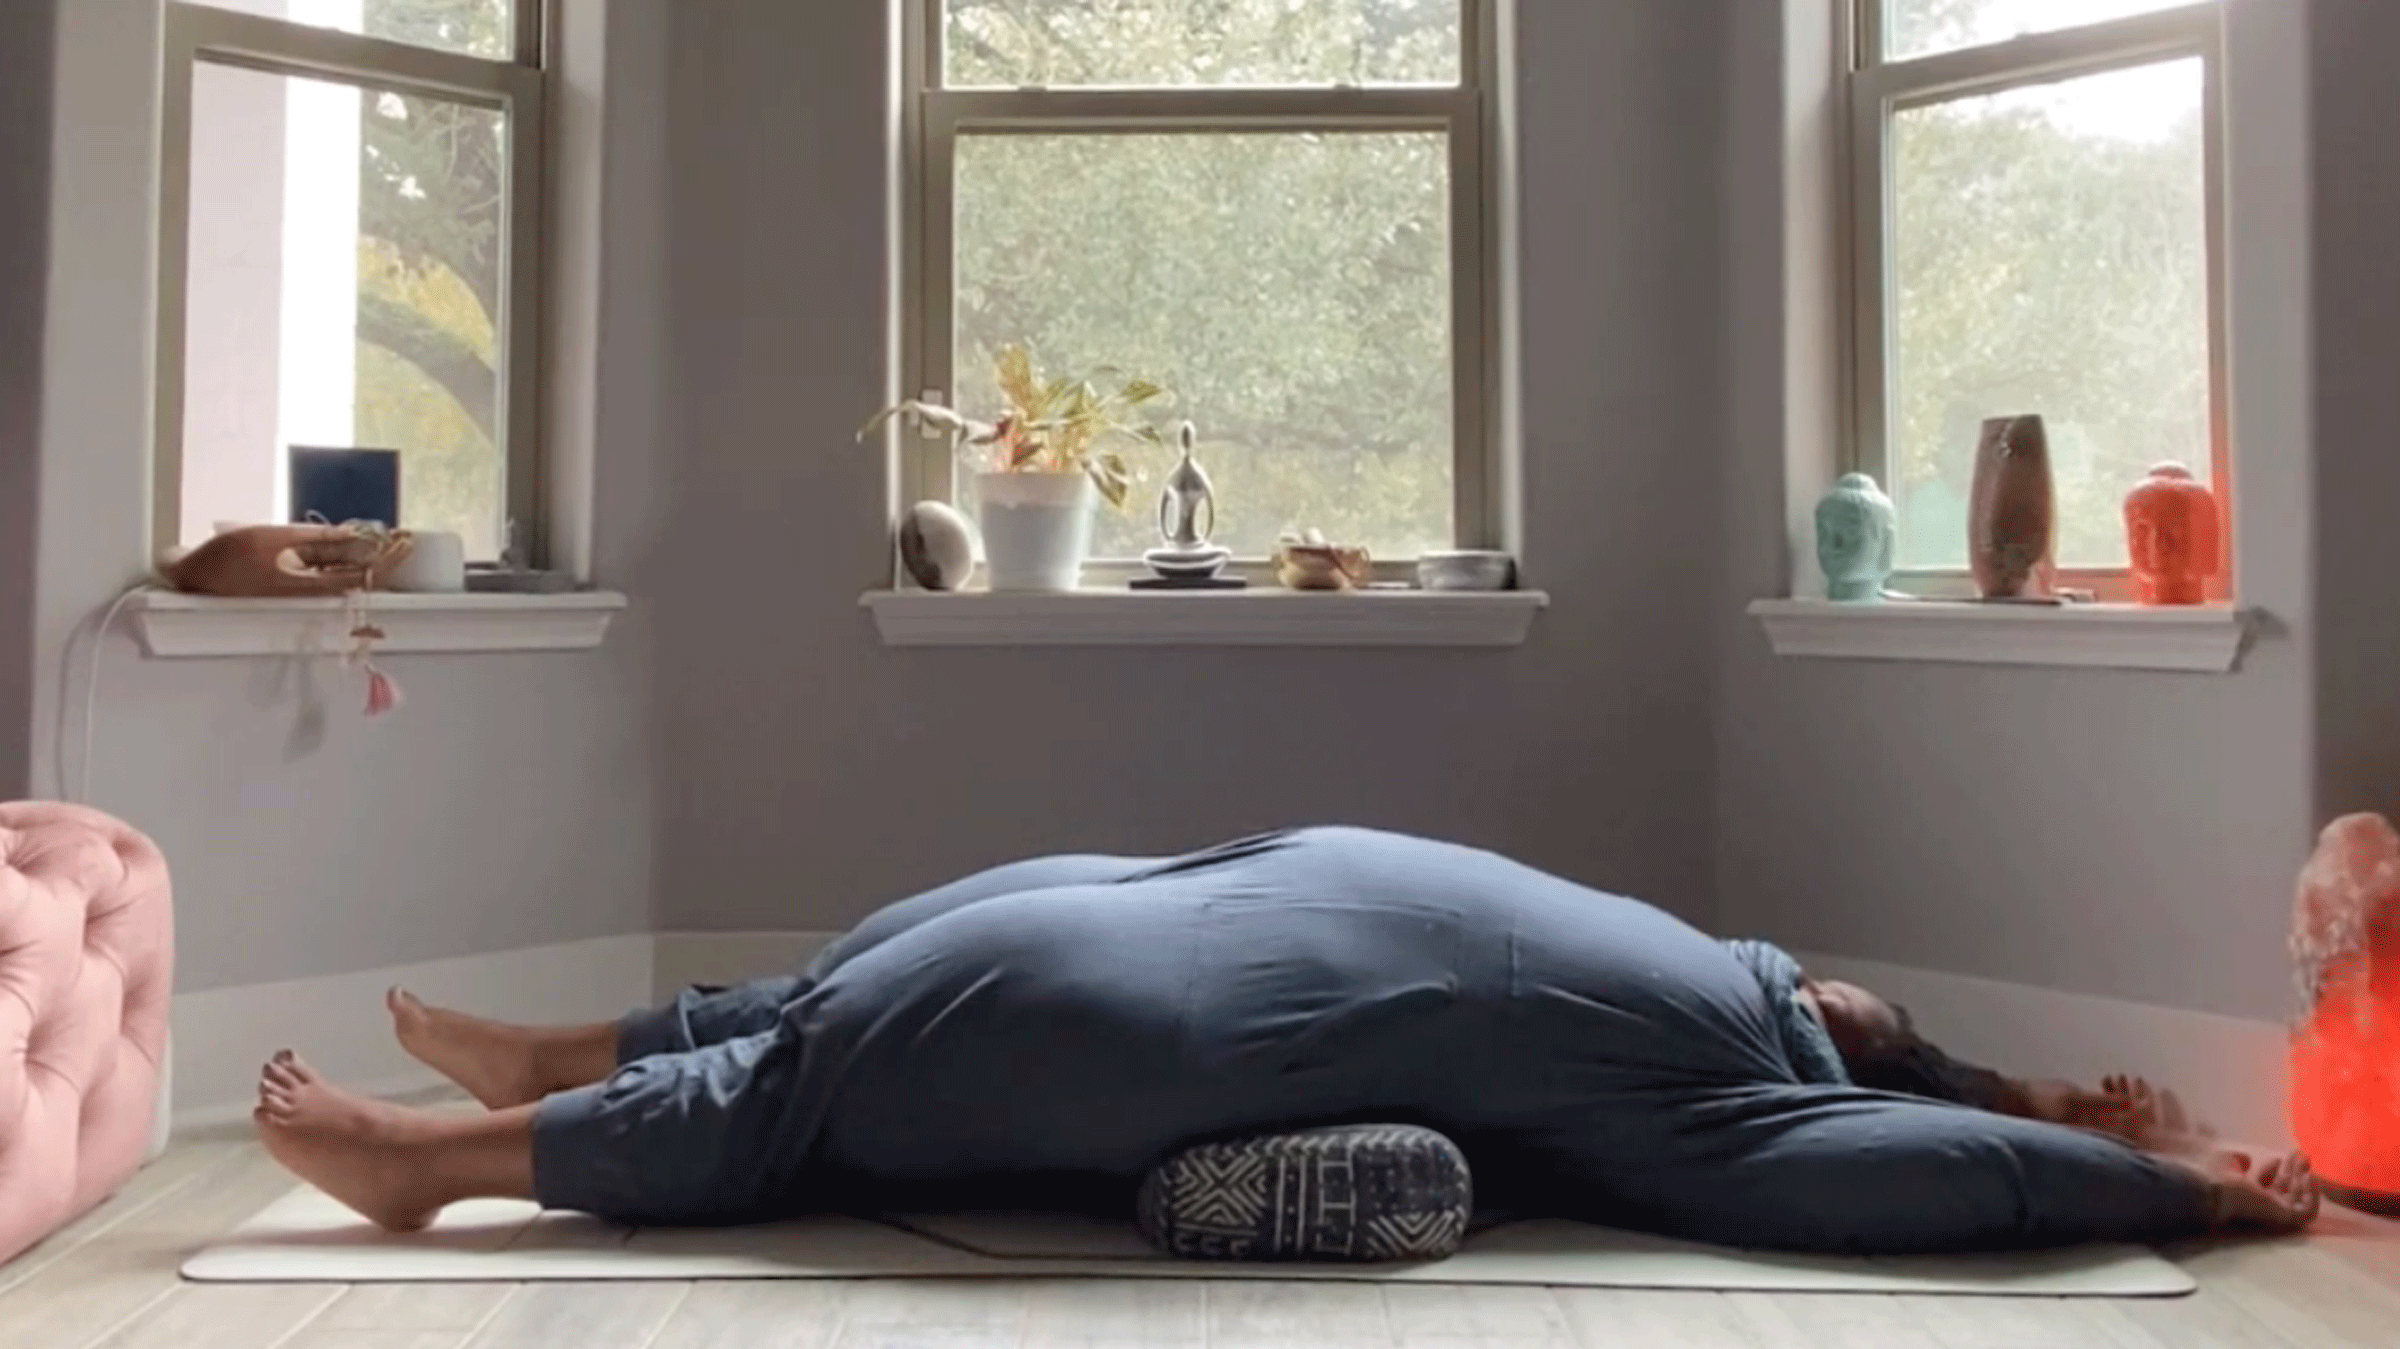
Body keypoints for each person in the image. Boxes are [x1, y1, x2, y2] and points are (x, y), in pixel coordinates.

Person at [254, 826, 2318, 1255]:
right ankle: (548, 1051)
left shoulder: (1723, 1088)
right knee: (846, 980)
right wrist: (2056, 1097)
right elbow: (1959, 1098)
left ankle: (435, 1163)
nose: (1846, 983)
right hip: (1167, 893)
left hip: (1167, 990)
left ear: (1833, 1054)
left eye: (1869, 1023)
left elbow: (1946, 1166)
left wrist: (2172, 1189)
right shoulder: (1725, 965)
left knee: (840, 1064)